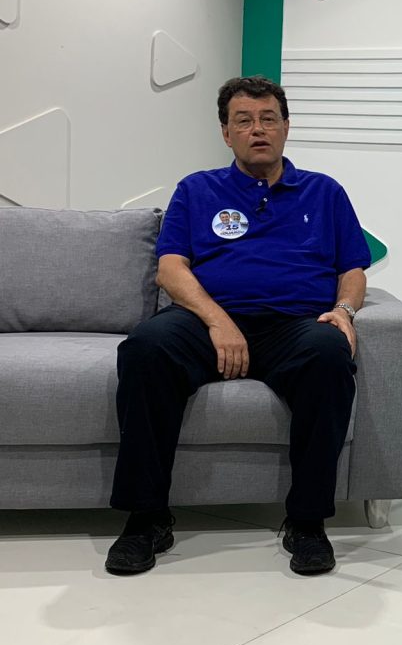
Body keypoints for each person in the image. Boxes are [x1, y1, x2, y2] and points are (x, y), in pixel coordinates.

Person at [105, 76, 371, 576]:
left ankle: (307, 522)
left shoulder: (324, 192)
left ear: (286, 127)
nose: (258, 129)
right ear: (226, 134)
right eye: (243, 121)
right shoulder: (197, 189)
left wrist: (344, 310)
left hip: (294, 324)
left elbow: (352, 268)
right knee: (145, 347)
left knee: (330, 353)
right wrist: (218, 321)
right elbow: (170, 269)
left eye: (268, 118)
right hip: (206, 322)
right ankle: (146, 520)